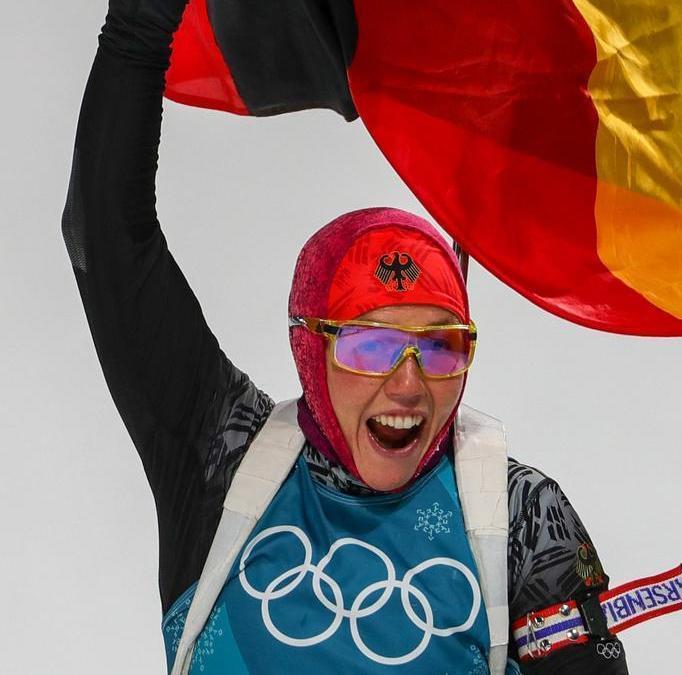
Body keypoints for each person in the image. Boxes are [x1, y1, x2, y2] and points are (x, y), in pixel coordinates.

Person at [62, 0, 629, 672]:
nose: (410, 382)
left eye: (442, 345)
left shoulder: (523, 518)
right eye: (372, 345)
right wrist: (139, 23)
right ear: (309, 347)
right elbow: (105, 237)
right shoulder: (223, 455)